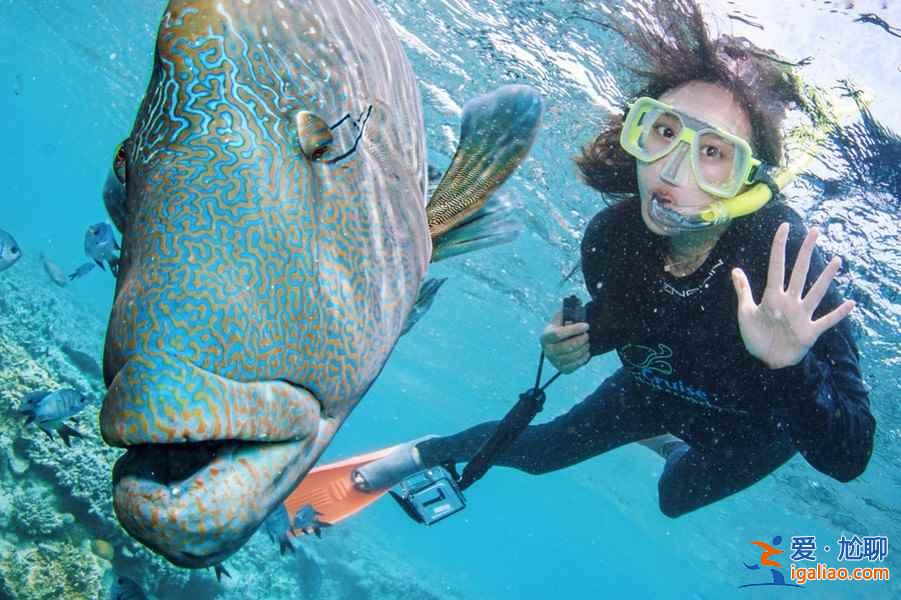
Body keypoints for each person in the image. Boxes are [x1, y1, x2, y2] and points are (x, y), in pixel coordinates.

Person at [348, 0, 876, 519]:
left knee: (676, 499)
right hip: (657, 388)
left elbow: (848, 457)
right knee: (541, 453)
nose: (672, 170)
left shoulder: (788, 268)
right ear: (638, 135)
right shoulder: (614, 237)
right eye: (665, 132)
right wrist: (580, 341)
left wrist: (791, 365)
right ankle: (420, 452)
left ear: (748, 182)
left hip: (754, 426)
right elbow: (633, 320)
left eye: (713, 152)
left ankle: (671, 449)